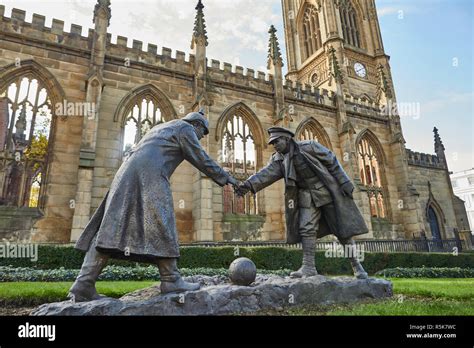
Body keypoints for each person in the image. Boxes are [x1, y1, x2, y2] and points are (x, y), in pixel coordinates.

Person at [69, 109, 240, 302]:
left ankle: (83, 284)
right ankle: (171, 279)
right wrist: (226, 178)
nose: (200, 137)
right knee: (162, 220)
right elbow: (201, 158)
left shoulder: (163, 128)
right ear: (197, 125)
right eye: (203, 133)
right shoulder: (185, 128)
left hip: (125, 174)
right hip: (149, 176)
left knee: (111, 228)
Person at [236, 127, 369, 279]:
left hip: (325, 190)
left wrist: (344, 181)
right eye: (272, 143)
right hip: (305, 195)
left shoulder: (309, 146)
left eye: (277, 141)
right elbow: (265, 174)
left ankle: (357, 266)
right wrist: (247, 185)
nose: (274, 145)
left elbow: (331, 160)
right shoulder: (279, 159)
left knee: (342, 229)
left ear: (286, 139)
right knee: (306, 228)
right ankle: (308, 267)